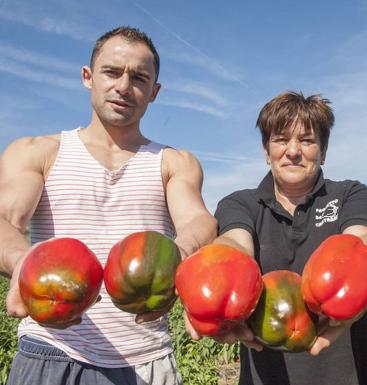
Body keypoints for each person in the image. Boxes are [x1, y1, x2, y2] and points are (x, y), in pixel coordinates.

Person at [0, 26, 217, 385]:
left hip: (146, 360)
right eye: (112, 72)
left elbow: (198, 219)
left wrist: (178, 253)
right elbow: (5, 218)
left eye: (139, 77)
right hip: (51, 350)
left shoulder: (173, 162)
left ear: (154, 92)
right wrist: (23, 261)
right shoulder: (38, 152)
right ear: (88, 77)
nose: (123, 86)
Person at [185, 91, 367, 384]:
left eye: (307, 140)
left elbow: (363, 239)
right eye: (281, 140)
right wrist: (210, 292)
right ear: (267, 152)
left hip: (350, 375)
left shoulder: (349, 195)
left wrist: (356, 295)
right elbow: (235, 244)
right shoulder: (241, 203)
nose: (293, 151)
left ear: (324, 151)